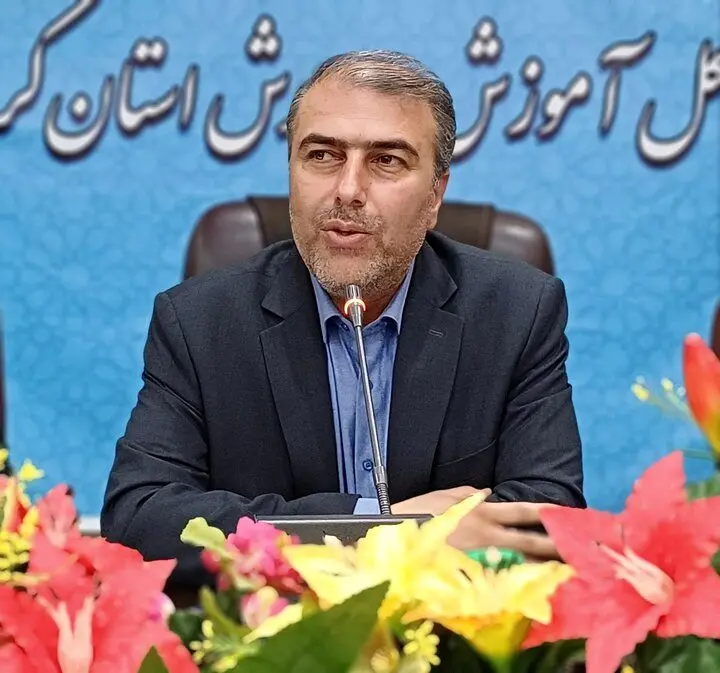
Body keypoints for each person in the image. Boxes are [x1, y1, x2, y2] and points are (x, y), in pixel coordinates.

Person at [101, 50, 585, 585]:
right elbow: (140, 517)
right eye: (322, 155)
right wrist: (385, 532)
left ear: (435, 195)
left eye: (387, 161)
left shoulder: (517, 312)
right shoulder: (199, 322)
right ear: (292, 170)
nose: (348, 190)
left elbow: (546, 517)